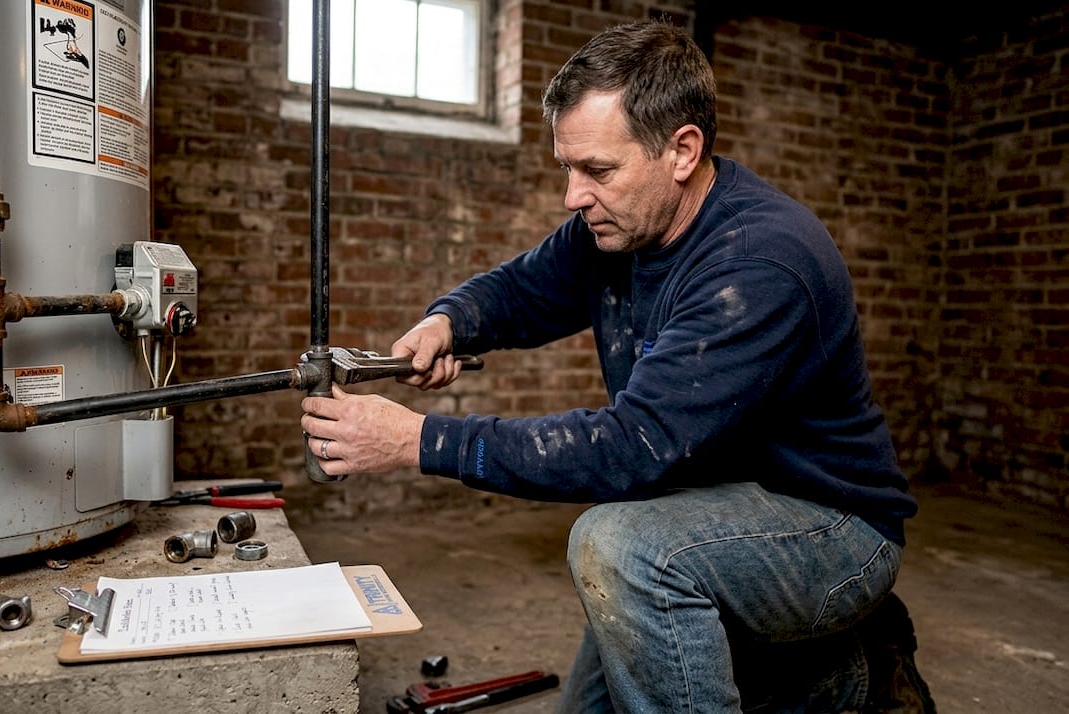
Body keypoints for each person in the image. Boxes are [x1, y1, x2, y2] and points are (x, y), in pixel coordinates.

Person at [300, 18, 935, 714]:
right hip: (705, 506)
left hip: (831, 527)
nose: (574, 195)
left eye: (598, 170)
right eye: (568, 168)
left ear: (682, 150)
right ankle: (829, 678)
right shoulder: (619, 226)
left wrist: (415, 441)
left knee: (624, 548)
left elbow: (631, 449)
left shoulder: (758, 264)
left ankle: (853, 673)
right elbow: (520, 290)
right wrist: (447, 320)